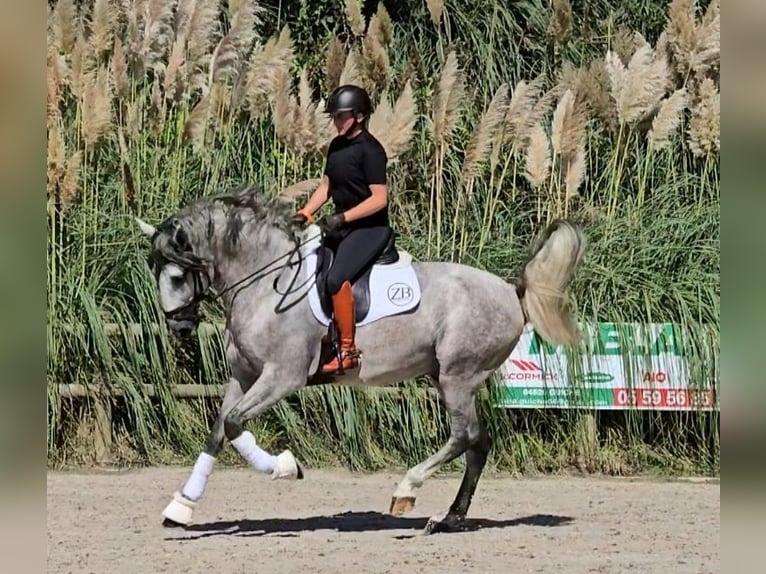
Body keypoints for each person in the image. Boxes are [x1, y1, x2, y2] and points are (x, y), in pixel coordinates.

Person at [291, 84, 392, 374]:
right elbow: (327, 186)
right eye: (334, 116)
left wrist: (343, 217)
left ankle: (348, 350)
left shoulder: (372, 151)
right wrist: (306, 212)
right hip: (342, 227)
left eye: (341, 116)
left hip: (369, 229)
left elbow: (379, 199)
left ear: (359, 116)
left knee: (336, 279)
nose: (336, 122)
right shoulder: (336, 146)